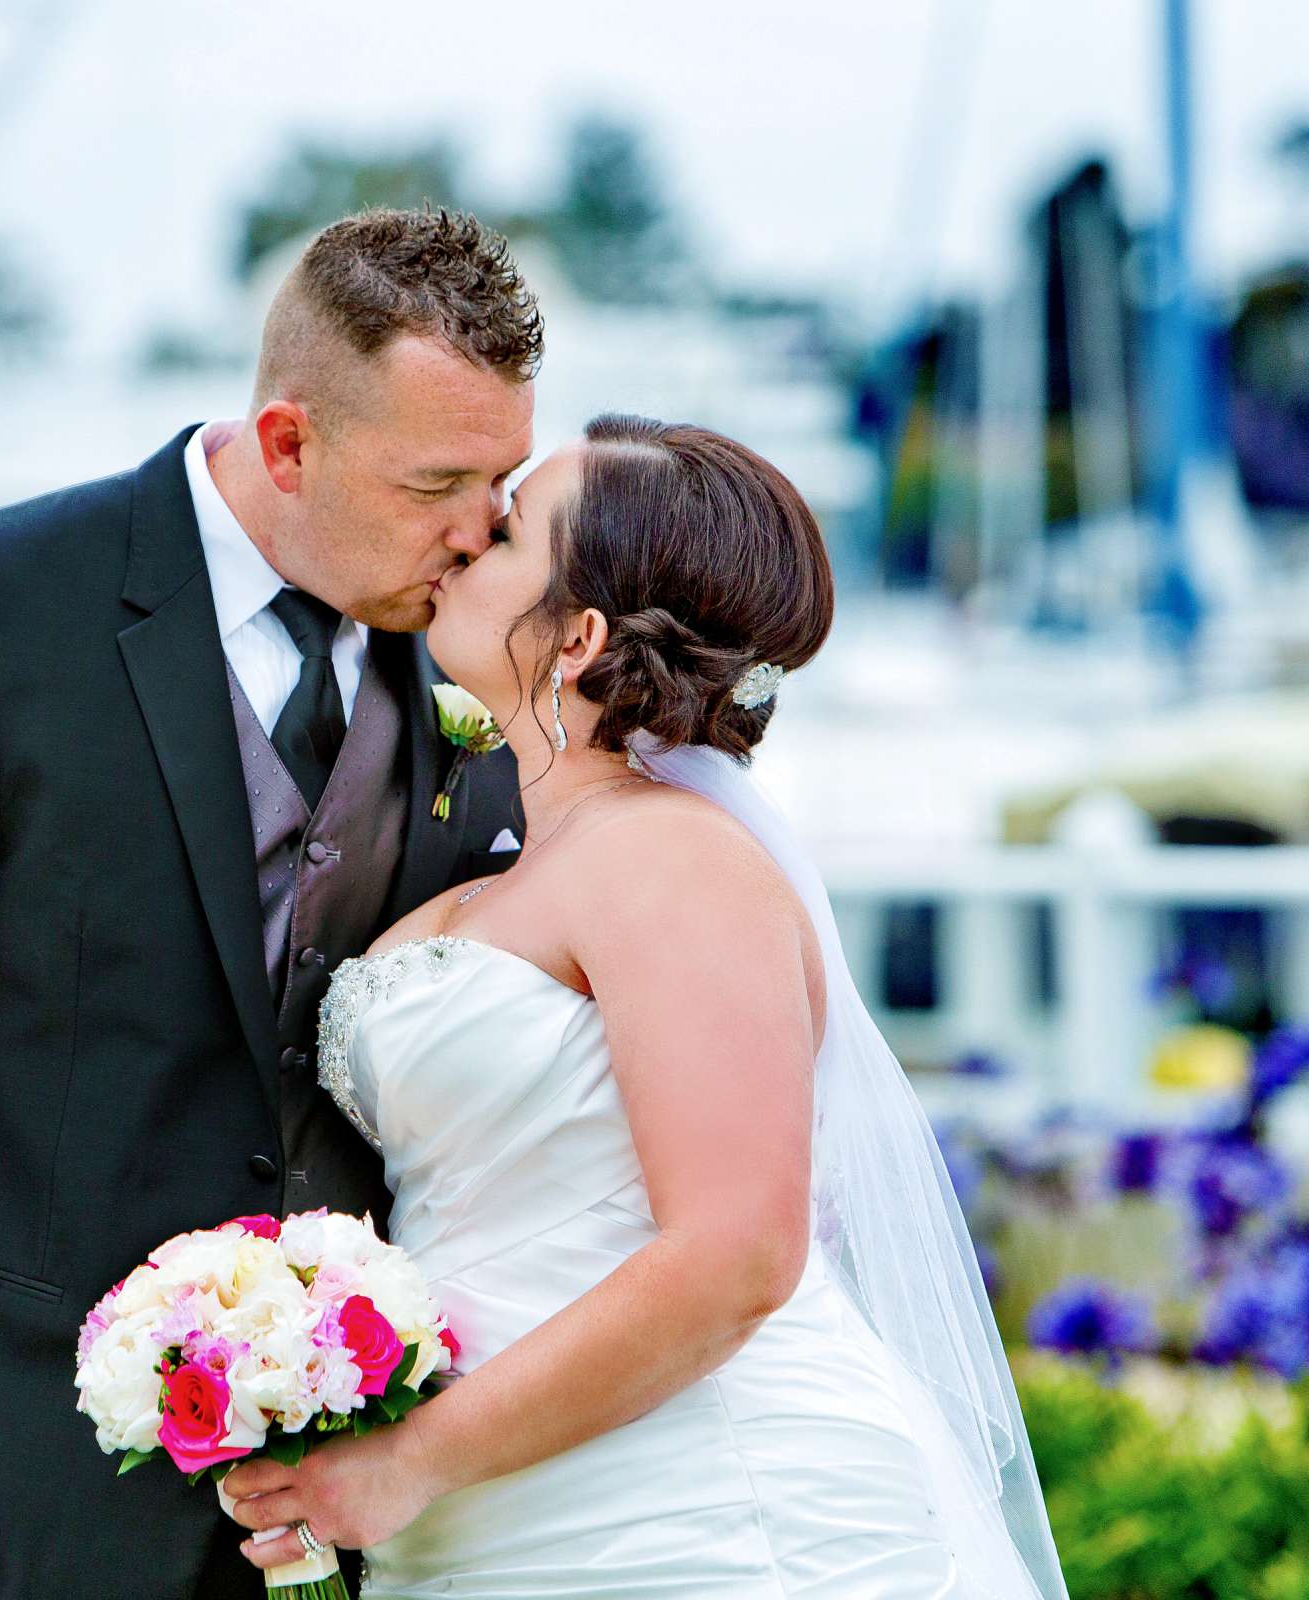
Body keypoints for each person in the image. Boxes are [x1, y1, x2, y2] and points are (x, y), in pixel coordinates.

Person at [0, 206, 536, 1600]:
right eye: (438, 483)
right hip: (9, 1475)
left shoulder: (475, 655)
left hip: (352, 1509)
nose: (482, 533)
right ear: (288, 443)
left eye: (504, 478)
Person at [217, 415, 1072, 1598]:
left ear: (575, 636)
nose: (465, 541)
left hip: (705, 1509)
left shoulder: (675, 859)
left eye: (507, 530)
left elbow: (736, 1251)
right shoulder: (503, 866)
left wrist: (411, 1460)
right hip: (497, 1515)